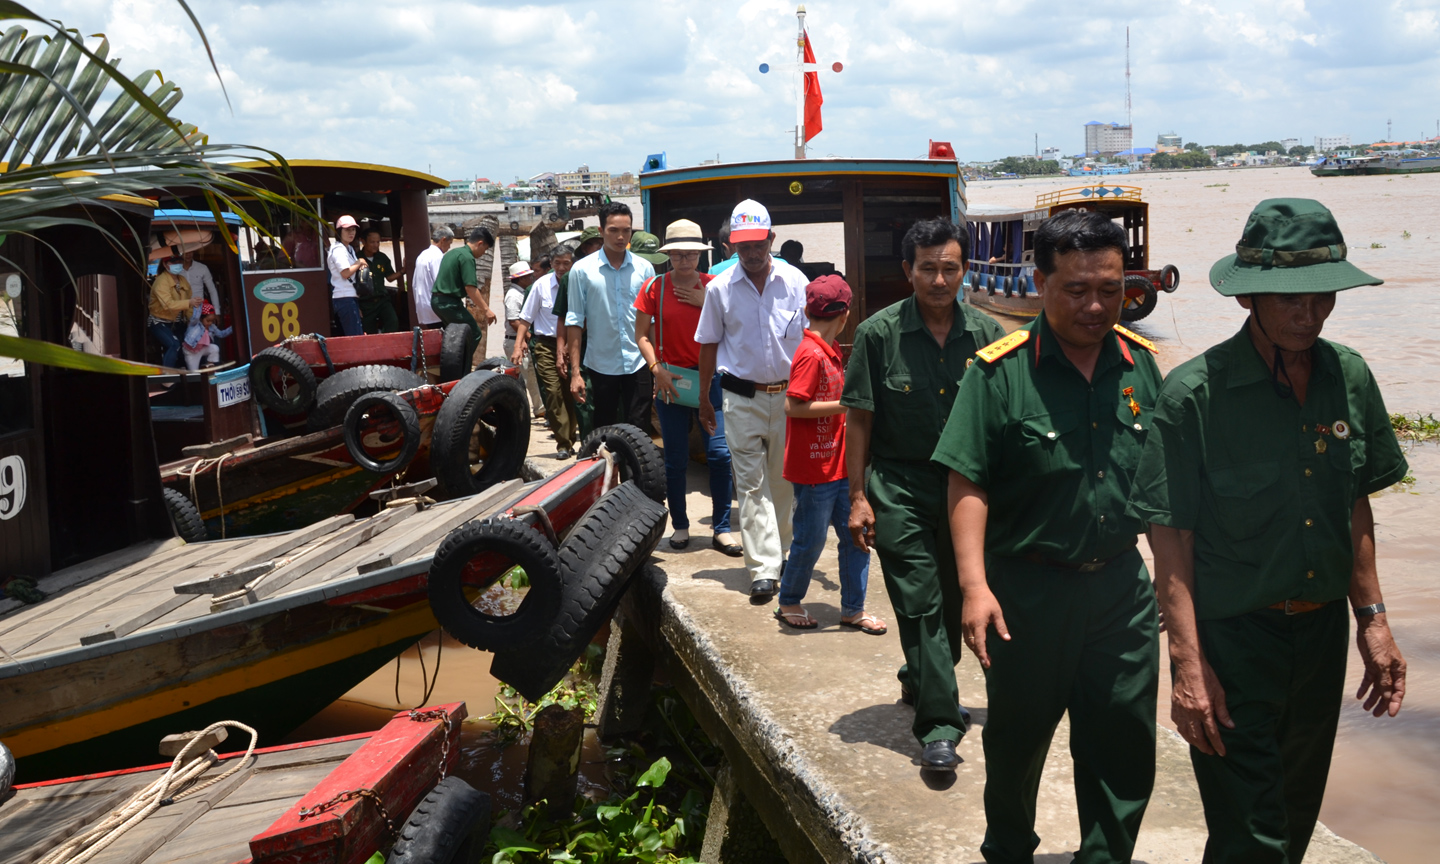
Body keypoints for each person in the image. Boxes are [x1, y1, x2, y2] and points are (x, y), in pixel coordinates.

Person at [1129, 198, 1408, 863]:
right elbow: (1171, 546)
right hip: (1233, 639)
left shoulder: (1350, 378)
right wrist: (1189, 667)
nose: (1308, 314)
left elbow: (1353, 505)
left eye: (1321, 298)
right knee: (1249, 832)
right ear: (1249, 295)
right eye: (1289, 298)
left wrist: (1372, 618)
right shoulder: (1195, 396)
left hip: (1318, 640)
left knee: (1293, 815)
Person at [933, 209, 1163, 856]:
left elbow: (1168, 491)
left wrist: (1175, 589)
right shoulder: (999, 372)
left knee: (1123, 744)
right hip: (1028, 594)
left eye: (1111, 289)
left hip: (1121, 590)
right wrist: (974, 586)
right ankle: (1007, 850)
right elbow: (967, 482)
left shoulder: (1142, 367)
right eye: (1076, 289)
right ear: (1040, 283)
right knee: (1016, 741)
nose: (1096, 305)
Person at [841, 217, 1004, 770]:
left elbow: (1005, 425)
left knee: (961, 601)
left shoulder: (989, 337)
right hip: (900, 487)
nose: (939, 280)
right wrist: (857, 497)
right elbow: (859, 421)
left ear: (965, 271)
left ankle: (919, 676)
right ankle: (939, 723)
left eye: (950, 269)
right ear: (907, 270)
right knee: (922, 604)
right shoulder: (877, 335)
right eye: (928, 268)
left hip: (969, 492)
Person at [696, 199, 808, 602]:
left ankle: (779, 555)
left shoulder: (796, 282)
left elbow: (812, 340)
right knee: (750, 482)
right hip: (740, 397)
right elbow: (708, 344)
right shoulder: (719, 289)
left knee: (783, 482)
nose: (752, 254)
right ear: (731, 247)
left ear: (771, 239)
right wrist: (705, 399)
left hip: (789, 398)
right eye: (743, 247)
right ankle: (762, 568)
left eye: (758, 245)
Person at [774, 275, 882, 634]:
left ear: (807, 310)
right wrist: (846, 404)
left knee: (857, 536)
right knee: (811, 538)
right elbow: (793, 406)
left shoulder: (829, 349)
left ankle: (853, 608)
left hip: (838, 466)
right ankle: (789, 599)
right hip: (813, 469)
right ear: (845, 314)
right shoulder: (810, 353)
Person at [633, 219, 739, 555]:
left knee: (720, 456)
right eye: (677, 254)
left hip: (712, 380)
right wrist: (656, 369)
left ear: (700, 255)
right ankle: (680, 525)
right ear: (668, 256)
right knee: (675, 460)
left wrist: (703, 302)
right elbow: (641, 335)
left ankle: (721, 528)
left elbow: (735, 332)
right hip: (671, 381)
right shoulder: (654, 288)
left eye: (691, 254)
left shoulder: (716, 287)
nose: (684, 260)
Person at [564, 202, 655, 430]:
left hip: (639, 361)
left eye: (626, 230)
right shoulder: (582, 270)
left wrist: (658, 364)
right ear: (601, 230)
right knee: (604, 428)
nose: (621, 237)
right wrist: (575, 373)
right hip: (601, 363)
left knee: (639, 428)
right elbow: (574, 321)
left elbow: (651, 321)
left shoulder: (644, 269)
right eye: (614, 230)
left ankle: (634, 468)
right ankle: (609, 467)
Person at [514, 245, 579, 458]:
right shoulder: (540, 286)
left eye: (566, 263)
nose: (561, 268)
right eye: (557, 263)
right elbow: (525, 318)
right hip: (545, 346)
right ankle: (563, 443)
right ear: (551, 264)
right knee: (552, 392)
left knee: (573, 391)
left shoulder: (579, 284)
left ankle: (571, 434)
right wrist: (518, 344)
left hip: (576, 345)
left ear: (573, 264)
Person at [554, 229, 605, 437]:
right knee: (584, 399)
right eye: (596, 244)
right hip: (581, 349)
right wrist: (561, 350)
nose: (601, 247)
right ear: (585, 248)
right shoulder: (573, 276)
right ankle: (588, 444)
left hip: (606, 346)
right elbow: (563, 317)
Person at [431, 226, 497, 349]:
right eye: (485, 249)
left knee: (454, 336)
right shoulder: (467, 257)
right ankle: (463, 367)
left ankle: (451, 363)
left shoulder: (452, 253)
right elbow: (470, 289)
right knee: (474, 333)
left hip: (437, 302)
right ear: (480, 243)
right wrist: (487, 310)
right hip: (449, 304)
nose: (483, 254)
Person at [148, 255, 201, 367]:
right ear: (165, 264)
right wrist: (189, 303)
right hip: (159, 322)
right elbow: (168, 304)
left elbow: (189, 306)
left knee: (185, 347)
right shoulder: (161, 281)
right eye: (173, 262)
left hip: (178, 323)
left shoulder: (183, 281)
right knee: (174, 345)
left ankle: (183, 376)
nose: (177, 264)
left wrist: (192, 321)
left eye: (179, 261)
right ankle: (167, 377)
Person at [326, 215, 368, 336]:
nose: (351, 233)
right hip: (344, 297)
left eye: (353, 229)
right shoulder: (338, 249)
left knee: (354, 334)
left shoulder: (348, 248)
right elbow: (345, 273)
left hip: (350, 297)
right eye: (347, 230)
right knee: (355, 337)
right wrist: (359, 262)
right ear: (339, 231)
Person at [412, 225, 452, 328]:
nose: (449, 248)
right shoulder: (437, 257)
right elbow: (441, 283)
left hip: (423, 306)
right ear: (443, 240)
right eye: (449, 243)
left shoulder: (423, 254)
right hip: (434, 308)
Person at [181, 302, 233, 371]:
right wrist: (197, 307)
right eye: (208, 320)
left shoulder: (211, 326)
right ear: (201, 318)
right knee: (194, 374)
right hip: (191, 352)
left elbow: (221, 334)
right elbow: (195, 317)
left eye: (212, 321)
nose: (210, 323)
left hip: (201, 349)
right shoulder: (194, 324)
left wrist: (232, 328)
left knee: (215, 348)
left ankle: (210, 369)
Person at [503, 260, 537, 360]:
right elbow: (514, 321)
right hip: (516, 340)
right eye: (529, 277)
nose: (532, 279)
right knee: (526, 373)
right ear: (521, 279)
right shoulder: (513, 295)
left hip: (521, 339)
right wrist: (528, 336)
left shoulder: (522, 292)